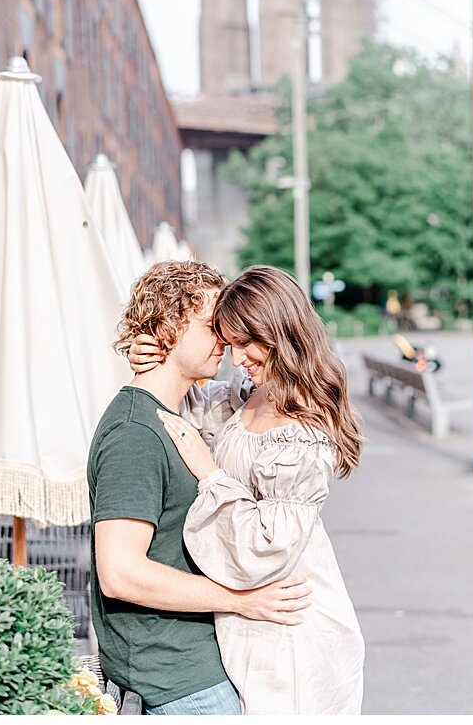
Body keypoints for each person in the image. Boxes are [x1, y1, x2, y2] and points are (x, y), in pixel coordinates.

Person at [132, 264, 365, 714]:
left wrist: (209, 475)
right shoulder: (251, 391)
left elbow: (266, 547)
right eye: (230, 342)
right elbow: (192, 410)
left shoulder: (303, 433)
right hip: (256, 617)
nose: (237, 358)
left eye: (246, 342)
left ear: (281, 332)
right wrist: (157, 358)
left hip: (292, 625)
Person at [88, 260, 313, 716]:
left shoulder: (179, 415)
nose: (226, 342)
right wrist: (242, 601)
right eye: (213, 326)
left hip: (195, 669)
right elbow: (120, 573)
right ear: (168, 326)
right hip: (179, 682)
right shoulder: (136, 433)